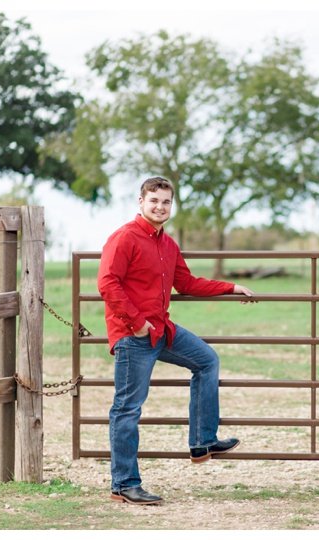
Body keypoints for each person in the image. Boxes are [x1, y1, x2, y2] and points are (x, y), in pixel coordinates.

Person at [98, 176, 255, 506]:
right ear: (140, 202)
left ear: (172, 205)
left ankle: (202, 441)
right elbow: (108, 283)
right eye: (154, 200)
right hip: (134, 335)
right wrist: (137, 323)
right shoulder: (124, 237)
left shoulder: (167, 245)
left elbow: (186, 282)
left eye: (166, 202)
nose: (160, 207)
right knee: (127, 408)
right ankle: (123, 484)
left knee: (207, 361)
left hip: (162, 330)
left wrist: (230, 287)